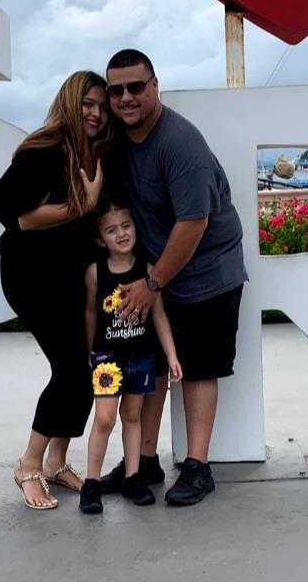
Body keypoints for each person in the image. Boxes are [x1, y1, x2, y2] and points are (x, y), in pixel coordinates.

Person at [100, 49, 247, 506]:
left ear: (155, 86)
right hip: (157, 273)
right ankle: (141, 463)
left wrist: (152, 284)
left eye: (135, 87)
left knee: (200, 367)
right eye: (116, 90)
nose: (126, 97)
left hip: (206, 271)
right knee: (152, 368)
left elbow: (193, 224)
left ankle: (199, 467)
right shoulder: (119, 141)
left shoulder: (180, 143)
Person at [0, 71, 111, 510]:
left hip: (71, 273)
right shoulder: (45, 149)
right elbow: (24, 218)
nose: (95, 113)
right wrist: (84, 205)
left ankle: (57, 460)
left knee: (89, 368)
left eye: (101, 105)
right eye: (87, 104)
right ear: (71, 104)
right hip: (32, 273)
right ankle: (29, 463)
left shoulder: (93, 154)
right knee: (71, 370)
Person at [79, 200, 182, 514]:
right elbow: (91, 312)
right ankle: (92, 483)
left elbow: (160, 316)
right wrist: (89, 350)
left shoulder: (149, 271)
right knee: (105, 418)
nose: (121, 234)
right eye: (111, 230)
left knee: (133, 415)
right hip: (108, 357)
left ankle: (133, 477)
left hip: (141, 356)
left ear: (135, 228)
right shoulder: (95, 272)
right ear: (101, 239)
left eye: (126, 226)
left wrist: (172, 355)